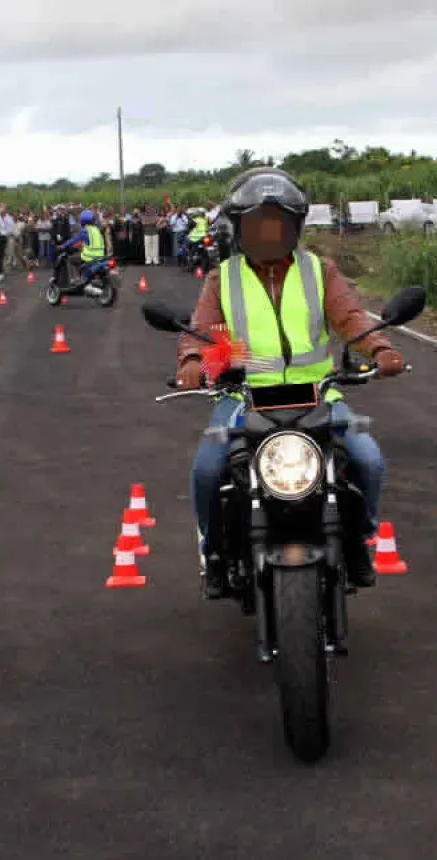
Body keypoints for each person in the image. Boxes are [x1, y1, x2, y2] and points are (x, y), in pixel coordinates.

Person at [176, 167, 407, 598]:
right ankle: (214, 554)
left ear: (294, 227)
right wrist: (194, 361)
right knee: (208, 469)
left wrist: (379, 349)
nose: (267, 232)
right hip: (244, 396)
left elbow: (351, 317)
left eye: (277, 222)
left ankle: (359, 542)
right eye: (257, 223)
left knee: (367, 459)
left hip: (319, 391)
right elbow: (204, 331)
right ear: (240, 228)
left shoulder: (319, 271)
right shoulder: (222, 278)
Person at [56, 209, 109, 285]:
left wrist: (62, 246)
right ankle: (82, 277)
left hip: (90, 256)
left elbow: (74, 239)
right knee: (78, 256)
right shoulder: (96, 229)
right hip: (100, 256)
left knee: (70, 260)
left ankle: (73, 280)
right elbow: (91, 242)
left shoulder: (85, 230)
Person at [0, 201, 14, 274]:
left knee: (6, 253)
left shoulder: (8, 217)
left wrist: (7, 232)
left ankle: (6, 267)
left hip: (5, 236)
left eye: (4, 207)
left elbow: (11, 227)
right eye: (1, 207)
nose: (3, 209)